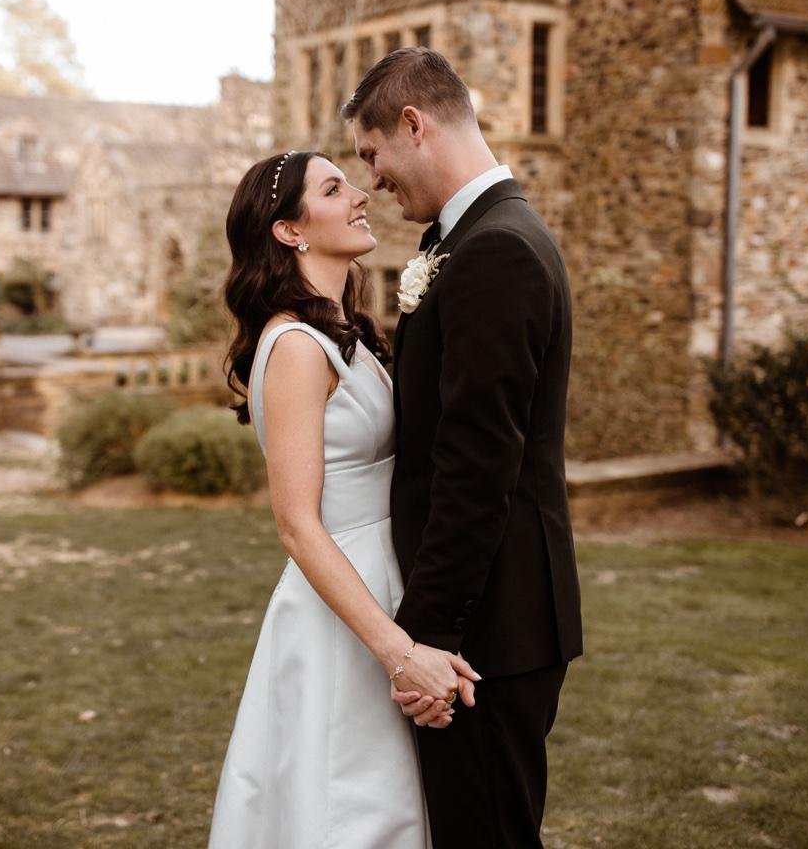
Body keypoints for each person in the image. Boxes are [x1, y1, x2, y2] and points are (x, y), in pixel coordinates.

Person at [342, 47, 583, 849]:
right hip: (492, 617)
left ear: (415, 125)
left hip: (485, 629)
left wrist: (428, 638)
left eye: (372, 155)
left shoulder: (496, 252)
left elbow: (478, 468)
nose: (372, 180)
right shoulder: (475, 237)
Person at [208, 149, 479, 849]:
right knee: (348, 811)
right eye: (334, 188)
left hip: (383, 580)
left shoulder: (344, 333)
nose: (362, 194)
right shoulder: (296, 346)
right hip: (343, 610)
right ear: (289, 231)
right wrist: (397, 652)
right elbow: (298, 526)